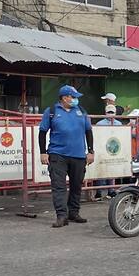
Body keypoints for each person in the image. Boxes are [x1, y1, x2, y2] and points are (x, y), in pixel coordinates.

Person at [38, 84, 94, 227]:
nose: (76, 100)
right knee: (59, 186)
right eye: (73, 97)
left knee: (76, 185)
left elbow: (88, 131)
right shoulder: (51, 111)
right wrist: (43, 152)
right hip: (57, 154)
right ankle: (61, 216)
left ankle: (74, 212)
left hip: (79, 155)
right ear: (64, 98)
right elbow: (43, 132)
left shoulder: (81, 111)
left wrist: (91, 151)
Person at [93, 104, 125, 200]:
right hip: (102, 150)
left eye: (112, 112)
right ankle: (99, 192)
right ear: (105, 113)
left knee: (112, 171)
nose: (110, 114)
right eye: (109, 112)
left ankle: (111, 191)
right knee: (101, 172)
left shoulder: (119, 124)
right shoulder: (99, 124)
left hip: (113, 150)